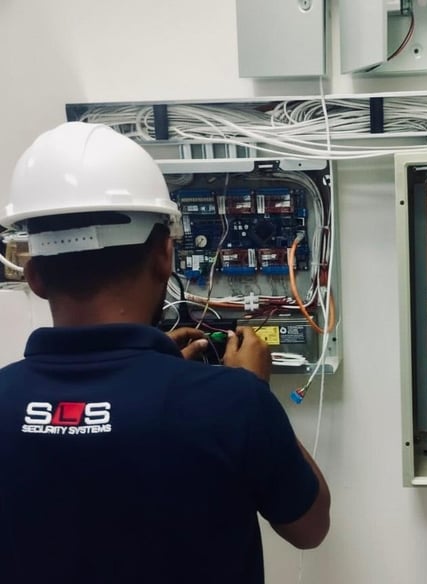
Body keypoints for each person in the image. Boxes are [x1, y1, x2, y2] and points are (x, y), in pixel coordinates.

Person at [0, 122, 330, 583]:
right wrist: (250, 389)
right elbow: (310, 527)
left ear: (33, 276)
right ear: (164, 256)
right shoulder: (232, 404)